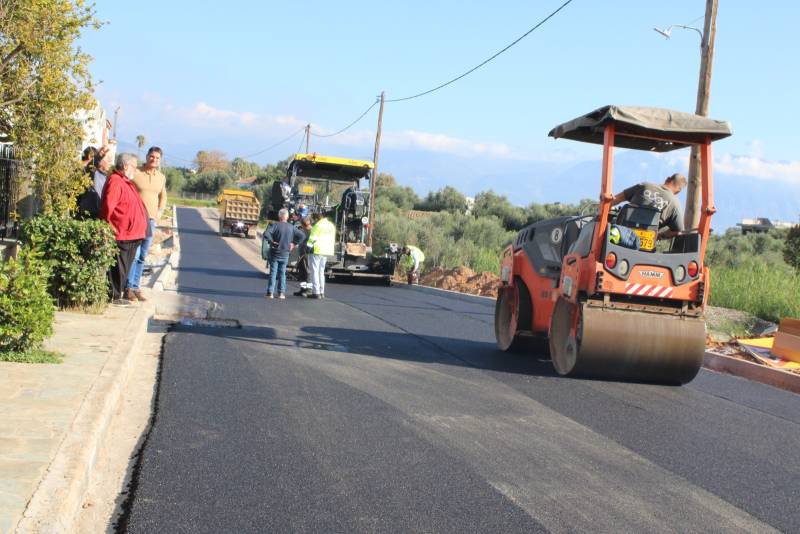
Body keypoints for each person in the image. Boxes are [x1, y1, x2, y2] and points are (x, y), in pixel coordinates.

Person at [99, 153, 148, 305]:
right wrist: (109, 225)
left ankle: (117, 295)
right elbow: (108, 206)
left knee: (125, 267)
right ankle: (113, 296)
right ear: (125, 166)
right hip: (122, 233)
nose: (136, 169)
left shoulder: (125, 181)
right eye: (134, 166)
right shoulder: (116, 181)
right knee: (118, 268)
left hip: (133, 234)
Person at [125, 146, 167, 302]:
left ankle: (136, 287)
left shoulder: (161, 177)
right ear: (147, 156)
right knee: (134, 254)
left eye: (157, 158)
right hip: (135, 219)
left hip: (150, 221)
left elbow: (163, 196)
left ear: (159, 160)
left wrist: (159, 213)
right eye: (152, 156)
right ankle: (128, 287)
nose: (154, 160)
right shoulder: (136, 173)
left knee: (143, 255)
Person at [612, 173, 688, 239]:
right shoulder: (675, 204)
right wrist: (660, 236)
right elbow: (678, 231)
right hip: (648, 244)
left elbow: (617, 198)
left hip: (621, 235)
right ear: (678, 191)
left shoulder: (644, 186)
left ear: (667, 179)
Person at [264, 208, 304, 299]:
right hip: (285, 253)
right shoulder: (291, 227)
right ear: (287, 217)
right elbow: (302, 236)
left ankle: (270, 292)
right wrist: (294, 243)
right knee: (282, 273)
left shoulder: (275, 225)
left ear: (279, 216)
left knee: (273, 272)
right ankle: (281, 293)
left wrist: (272, 241)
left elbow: (266, 234)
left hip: (275, 252)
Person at [305, 213, 335, 299]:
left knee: (314, 271)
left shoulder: (317, 225)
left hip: (317, 250)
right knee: (321, 272)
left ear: (316, 219)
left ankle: (316, 292)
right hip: (327, 250)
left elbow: (312, 238)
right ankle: (322, 292)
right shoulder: (330, 225)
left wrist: (308, 247)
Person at [293, 217, 314, 297]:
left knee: (307, 272)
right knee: (302, 272)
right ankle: (303, 289)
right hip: (302, 254)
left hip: (307, 254)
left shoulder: (311, 231)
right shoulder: (304, 231)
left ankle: (308, 290)